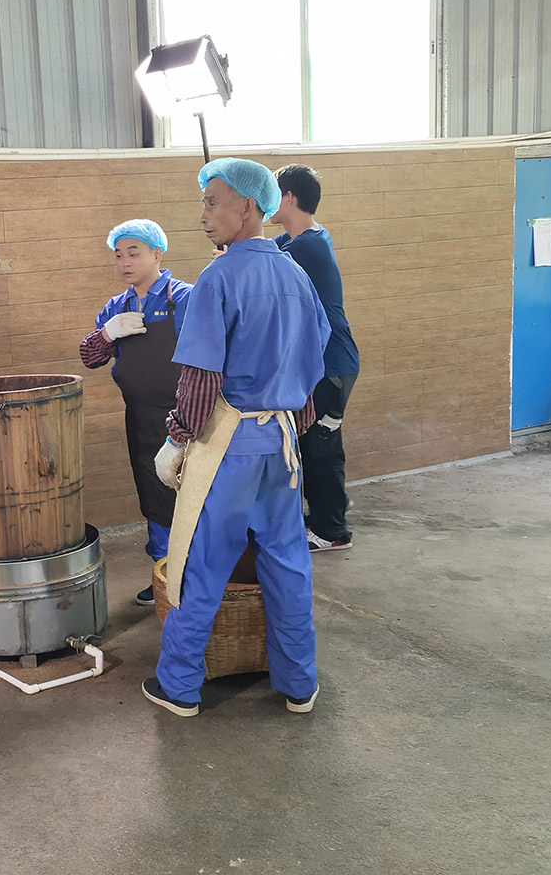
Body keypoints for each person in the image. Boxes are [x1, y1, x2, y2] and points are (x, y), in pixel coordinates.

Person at [145, 157, 330, 718]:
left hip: (228, 447)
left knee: (200, 563)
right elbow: (312, 364)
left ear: (247, 207)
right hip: (283, 447)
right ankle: (299, 683)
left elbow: (201, 378)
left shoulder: (218, 278)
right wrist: (295, 426)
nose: (202, 215)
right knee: (288, 562)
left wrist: (178, 437)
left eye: (211, 203)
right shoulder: (296, 275)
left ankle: (179, 686)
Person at [79, 219, 192, 606]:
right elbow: (90, 357)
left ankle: (198, 575)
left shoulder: (185, 297)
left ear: (157, 254)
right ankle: (163, 573)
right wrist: (107, 334)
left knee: (193, 495)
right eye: (118, 255)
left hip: (188, 418)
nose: (125, 262)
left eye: (134, 253)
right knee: (153, 495)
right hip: (141, 418)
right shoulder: (118, 307)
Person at [271, 164, 360, 552]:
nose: (267, 203)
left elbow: (262, 265)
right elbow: (261, 250)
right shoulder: (297, 239)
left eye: (273, 195)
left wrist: (230, 257)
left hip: (333, 364)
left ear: (289, 197)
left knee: (321, 448)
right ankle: (331, 508)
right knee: (314, 444)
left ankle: (332, 530)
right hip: (322, 364)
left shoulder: (307, 246)